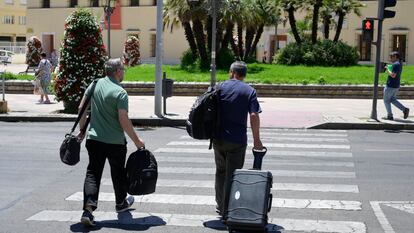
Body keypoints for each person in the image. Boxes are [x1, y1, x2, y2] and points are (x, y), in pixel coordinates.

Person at [76, 58, 146, 227]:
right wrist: (137, 141)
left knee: (93, 173)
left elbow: (81, 109)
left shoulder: (94, 84)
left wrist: (82, 130)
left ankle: (88, 210)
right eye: (123, 70)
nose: (123, 72)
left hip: (94, 139)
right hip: (115, 142)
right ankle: (121, 203)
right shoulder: (120, 92)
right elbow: (123, 118)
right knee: (118, 172)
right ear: (117, 72)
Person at [213, 61, 263, 218]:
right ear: (244, 75)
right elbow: (254, 115)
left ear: (231, 72)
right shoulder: (249, 91)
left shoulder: (219, 87)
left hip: (218, 139)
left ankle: (221, 206)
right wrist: (257, 140)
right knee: (232, 175)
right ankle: (228, 209)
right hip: (237, 141)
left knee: (220, 172)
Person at [383, 51, 409, 120]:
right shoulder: (399, 64)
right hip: (396, 85)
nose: (390, 59)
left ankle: (390, 116)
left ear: (395, 57)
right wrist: (390, 66)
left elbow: (393, 75)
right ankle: (404, 109)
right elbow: (395, 72)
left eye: (391, 57)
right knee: (393, 100)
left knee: (386, 101)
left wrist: (387, 69)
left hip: (390, 86)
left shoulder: (396, 64)